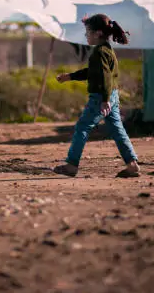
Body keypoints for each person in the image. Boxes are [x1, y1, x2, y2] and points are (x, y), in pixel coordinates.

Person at [53, 14, 140, 178]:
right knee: (117, 130)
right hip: (111, 95)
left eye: (88, 32)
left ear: (98, 33)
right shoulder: (106, 49)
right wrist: (70, 76)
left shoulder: (99, 53)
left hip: (101, 97)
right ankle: (132, 164)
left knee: (82, 127)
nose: (86, 35)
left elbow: (105, 77)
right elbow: (93, 73)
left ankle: (71, 165)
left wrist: (105, 100)